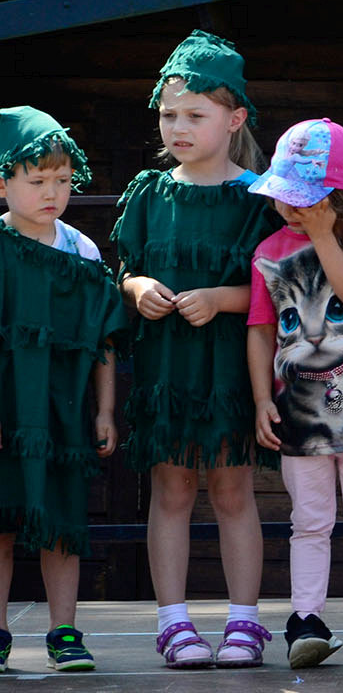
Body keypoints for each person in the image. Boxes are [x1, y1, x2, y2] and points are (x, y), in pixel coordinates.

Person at [111, 30, 280, 668]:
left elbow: (276, 287)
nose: (178, 126)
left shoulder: (260, 197)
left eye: (194, 115)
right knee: (172, 491)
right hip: (169, 370)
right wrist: (138, 288)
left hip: (231, 371)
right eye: (168, 114)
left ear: (234, 119)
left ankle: (243, 622)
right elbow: (122, 274)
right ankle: (173, 622)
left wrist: (221, 298)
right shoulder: (150, 195)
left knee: (234, 493)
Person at [243, 119, 343, 668]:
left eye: (305, 199)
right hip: (300, 416)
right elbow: (261, 329)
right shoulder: (267, 250)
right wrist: (264, 397)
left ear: (338, 196)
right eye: (286, 197)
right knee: (308, 522)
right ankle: (305, 619)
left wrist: (321, 235)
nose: (292, 208)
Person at [0, 107, 123, 672]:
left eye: (63, 180)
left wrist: (104, 410)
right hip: (6, 411)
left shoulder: (82, 251)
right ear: (3, 181)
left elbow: (102, 340)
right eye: (36, 180)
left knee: (63, 523)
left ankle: (64, 632)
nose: (52, 192)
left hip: (63, 409)